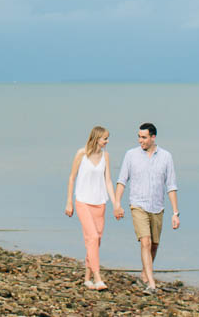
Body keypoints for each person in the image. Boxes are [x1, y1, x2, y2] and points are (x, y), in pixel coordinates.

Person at [114, 121, 178, 294]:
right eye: (139, 137)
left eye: (143, 137)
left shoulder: (166, 157)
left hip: (157, 206)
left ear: (153, 137)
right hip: (138, 205)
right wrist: (117, 203)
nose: (140, 140)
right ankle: (151, 283)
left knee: (154, 245)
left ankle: (144, 274)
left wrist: (175, 213)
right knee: (145, 241)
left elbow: (171, 186)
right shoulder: (131, 155)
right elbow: (121, 181)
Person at [63, 125, 122, 290]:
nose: (107, 141)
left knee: (95, 241)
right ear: (96, 138)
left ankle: (87, 278)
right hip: (83, 201)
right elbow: (71, 177)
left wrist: (116, 204)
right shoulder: (82, 153)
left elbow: (108, 181)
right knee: (93, 238)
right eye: (105, 138)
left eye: (107, 138)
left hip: (99, 202)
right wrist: (69, 201)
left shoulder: (106, 156)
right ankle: (98, 278)